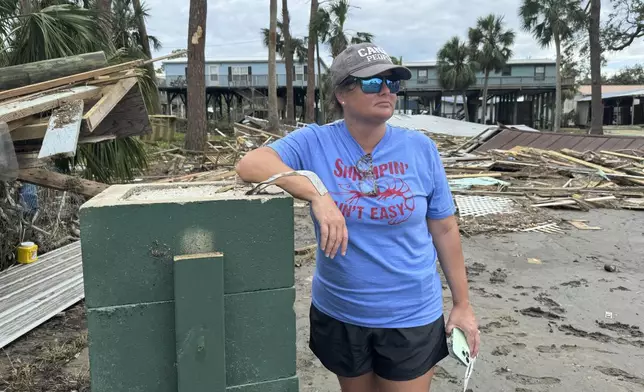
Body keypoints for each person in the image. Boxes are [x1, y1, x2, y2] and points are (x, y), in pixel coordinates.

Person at [236, 43, 479, 392]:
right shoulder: (315, 142)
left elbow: (443, 227)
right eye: (371, 83)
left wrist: (462, 305)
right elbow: (251, 164)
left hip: (410, 314)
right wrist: (317, 191)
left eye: (392, 84)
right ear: (341, 93)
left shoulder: (420, 149)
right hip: (341, 311)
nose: (385, 91)